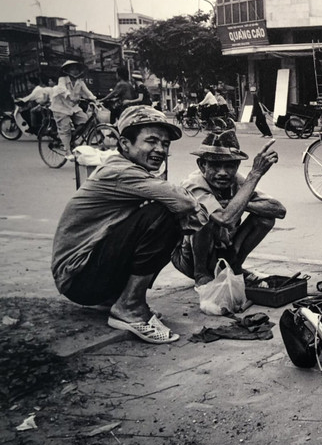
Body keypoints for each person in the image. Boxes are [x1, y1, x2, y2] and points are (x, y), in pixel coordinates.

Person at [51, 106, 208, 344]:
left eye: (165, 144)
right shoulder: (120, 171)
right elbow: (184, 203)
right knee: (164, 214)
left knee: (166, 214)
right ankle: (129, 307)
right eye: (151, 141)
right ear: (125, 144)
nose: (160, 150)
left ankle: (121, 298)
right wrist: (196, 212)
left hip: (88, 278)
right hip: (78, 279)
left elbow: (190, 212)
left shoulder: (135, 172)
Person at [171, 132, 286, 286]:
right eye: (215, 166)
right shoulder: (194, 184)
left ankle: (235, 265)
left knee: (265, 218)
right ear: (202, 165)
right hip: (188, 259)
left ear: (237, 166)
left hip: (224, 250)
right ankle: (201, 274)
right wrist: (255, 174)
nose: (223, 173)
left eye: (229, 166)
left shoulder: (237, 180)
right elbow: (225, 219)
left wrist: (240, 203)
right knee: (205, 217)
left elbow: (279, 210)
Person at [49, 60, 97, 156]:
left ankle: (72, 137)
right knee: (65, 129)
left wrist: (95, 100)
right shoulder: (63, 79)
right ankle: (67, 151)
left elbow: (87, 92)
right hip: (60, 107)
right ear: (67, 70)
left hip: (73, 107)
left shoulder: (80, 81)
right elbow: (62, 89)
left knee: (85, 120)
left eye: (76, 69)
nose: (74, 71)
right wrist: (68, 95)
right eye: (72, 69)